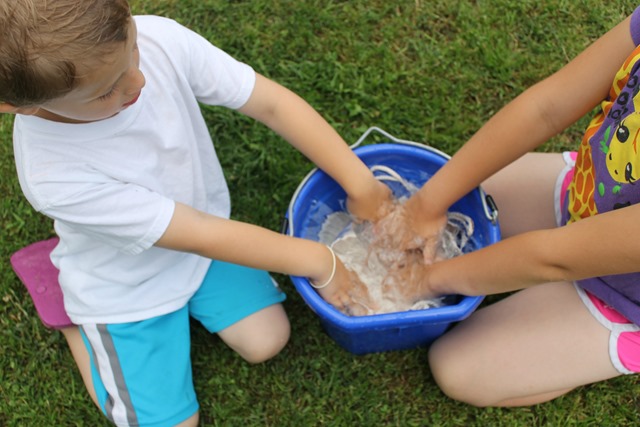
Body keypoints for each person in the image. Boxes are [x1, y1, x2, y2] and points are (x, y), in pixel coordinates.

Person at [0, 1, 390, 425]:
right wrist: (322, 261)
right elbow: (201, 232)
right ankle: (72, 308)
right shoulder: (52, 175)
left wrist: (361, 183)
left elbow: (272, 104)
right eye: (105, 91)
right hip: (124, 282)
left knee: (267, 340)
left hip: (199, 243)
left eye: (132, 51)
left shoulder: (157, 40)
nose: (139, 81)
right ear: (14, 105)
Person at [378, 6, 640, 407]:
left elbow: (552, 258)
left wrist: (425, 280)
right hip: (589, 193)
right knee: (460, 190)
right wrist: (428, 204)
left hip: (626, 292)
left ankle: (620, 342)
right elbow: (548, 105)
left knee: (459, 368)